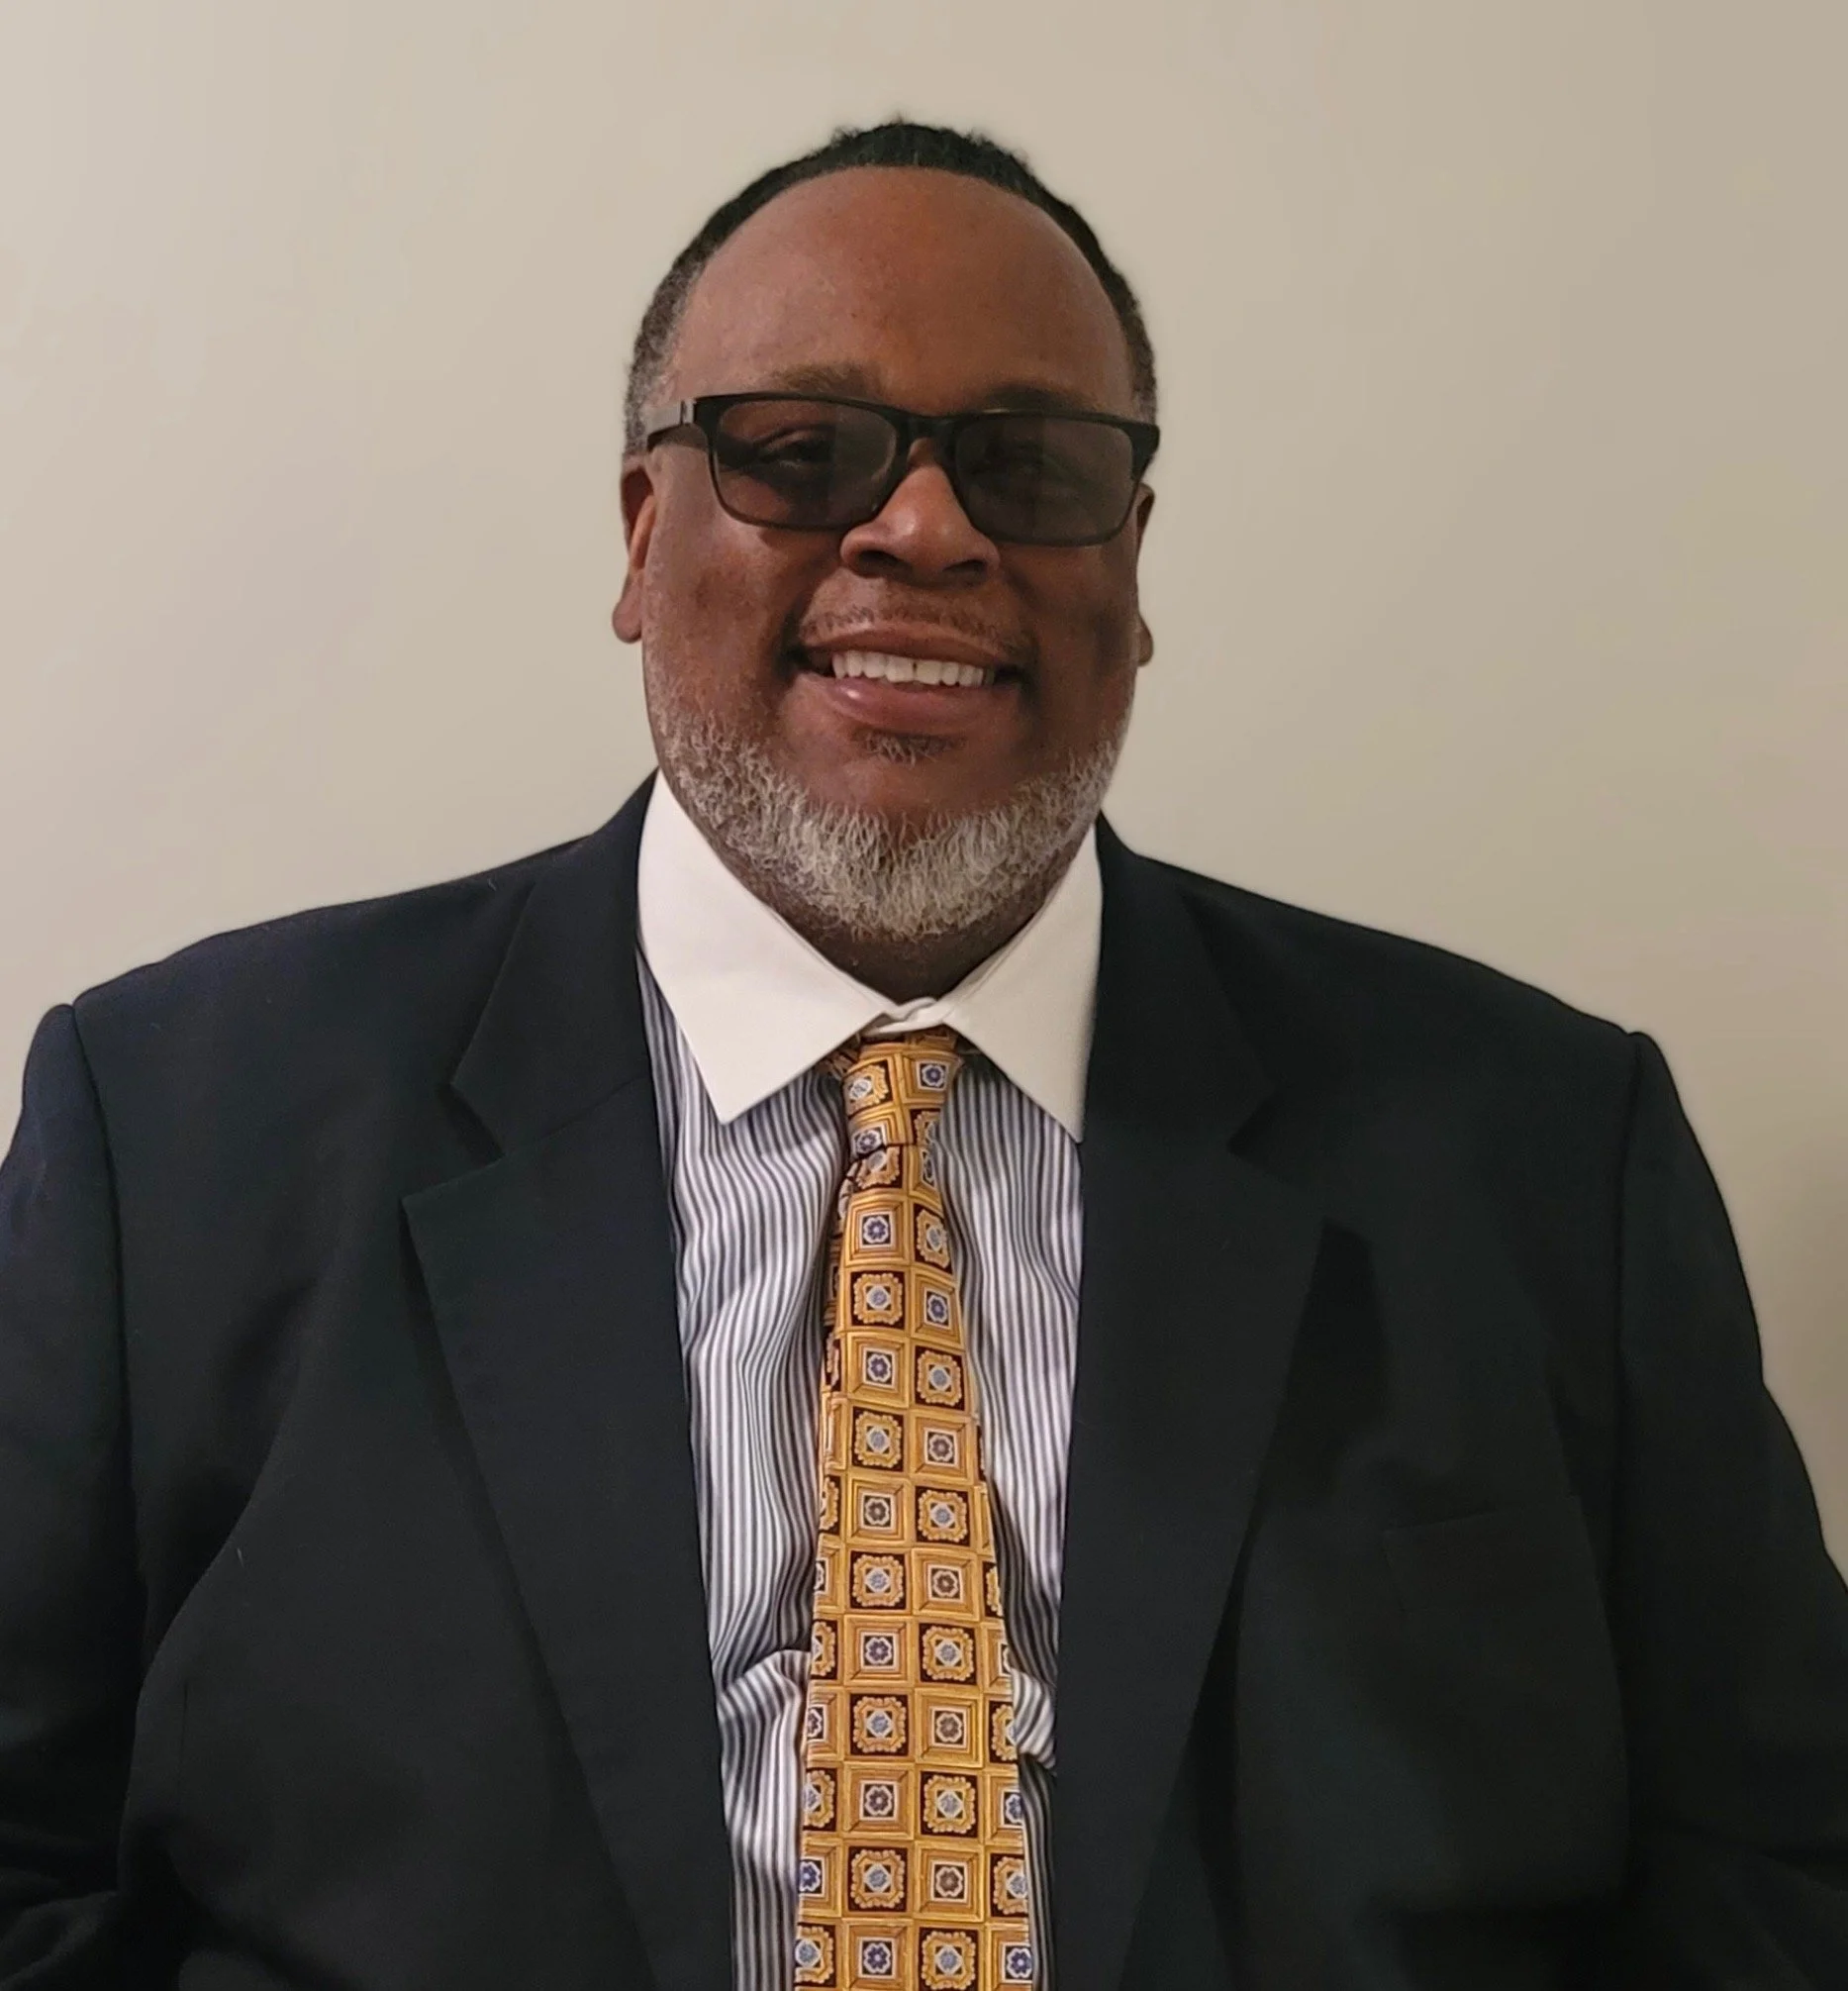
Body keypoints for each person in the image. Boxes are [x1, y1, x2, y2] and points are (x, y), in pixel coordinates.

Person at [1, 118, 1844, 1991]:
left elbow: (1775, 1867)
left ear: (1131, 565)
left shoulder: (1536, 1154)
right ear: (644, 536)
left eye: (1031, 467)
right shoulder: (175, 1138)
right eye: (800, 452)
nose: (925, 527)